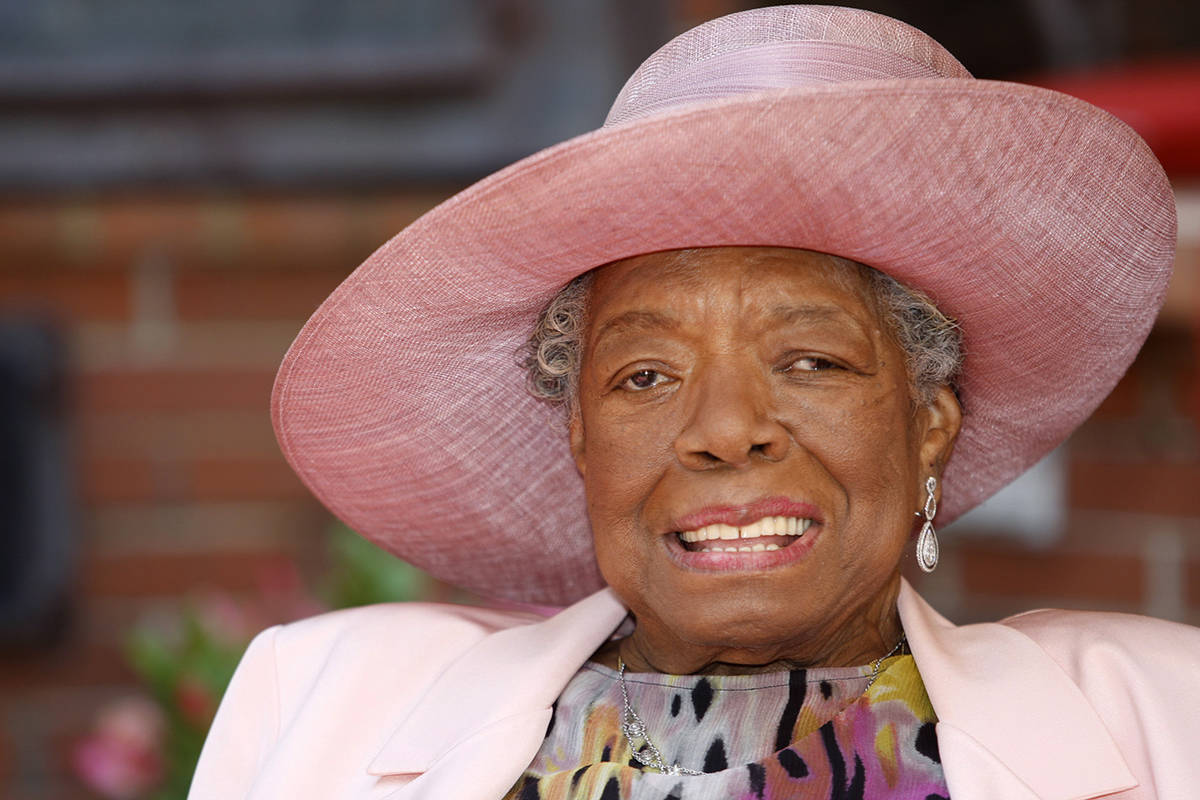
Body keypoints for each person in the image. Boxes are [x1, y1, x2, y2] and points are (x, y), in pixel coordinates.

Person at [189, 5, 1199, 800]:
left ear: (929, 420)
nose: (724, 429)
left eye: (811, 360)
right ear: (582, 436)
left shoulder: (1160, 712)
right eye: (645, 375)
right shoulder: (328, 697)